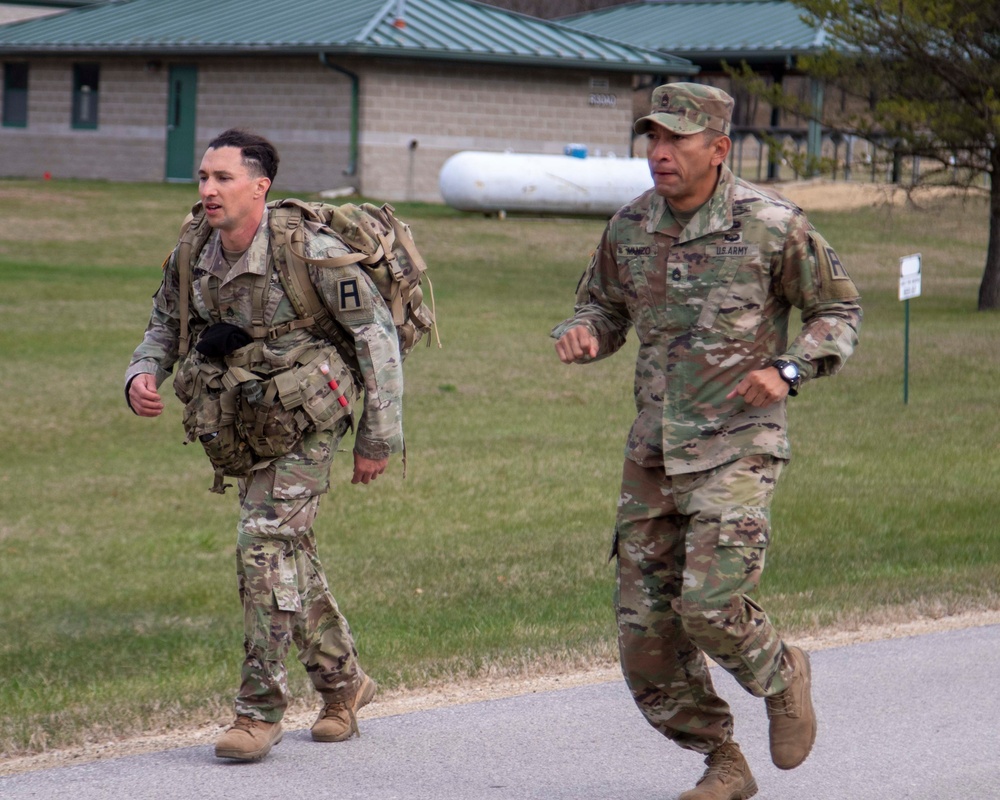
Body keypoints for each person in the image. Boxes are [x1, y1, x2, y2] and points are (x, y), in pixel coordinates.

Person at [553, 83, 861, 800]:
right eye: (652, 140)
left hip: (737, 443)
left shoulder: (772, 226)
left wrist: (789, 368)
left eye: (676, 141)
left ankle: (783, 675)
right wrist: (586, 332)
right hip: (654, 453)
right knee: (645, 634)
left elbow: (837, 310)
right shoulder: (629, 226)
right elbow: (601, 305)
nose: (659, 154)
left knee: (710, 607)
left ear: (718, 148)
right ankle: (721, 758)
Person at [126, 129, 404, 762]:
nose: (208, 190)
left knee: (262, 547)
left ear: (260, 186)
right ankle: (343, 685)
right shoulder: (194, 245)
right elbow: (165, 323)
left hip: (310, 416)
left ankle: (258, 713)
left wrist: (379, 436)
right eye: (203, 177)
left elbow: (376, 337)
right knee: (289, 555)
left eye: (223, 178)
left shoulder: (309, 250)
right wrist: (141, 374)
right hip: (243, 418)